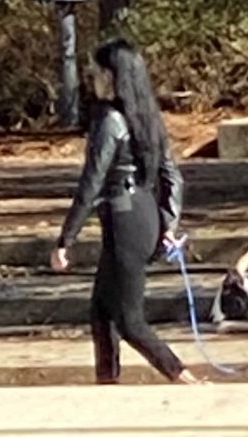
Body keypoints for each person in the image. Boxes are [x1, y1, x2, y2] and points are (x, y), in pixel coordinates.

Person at [50, 38, 200, 385]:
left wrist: (65, 238)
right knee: (102, 311)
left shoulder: (110, 120)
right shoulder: (146, 115)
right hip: (145, 215)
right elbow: (171, 176)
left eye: (98, 71)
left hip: (124, 222)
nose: (92, 77)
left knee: (130, 319)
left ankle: (181, 375)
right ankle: (107, 382)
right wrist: (168, 223)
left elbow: (92, 182)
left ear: (112, 75)